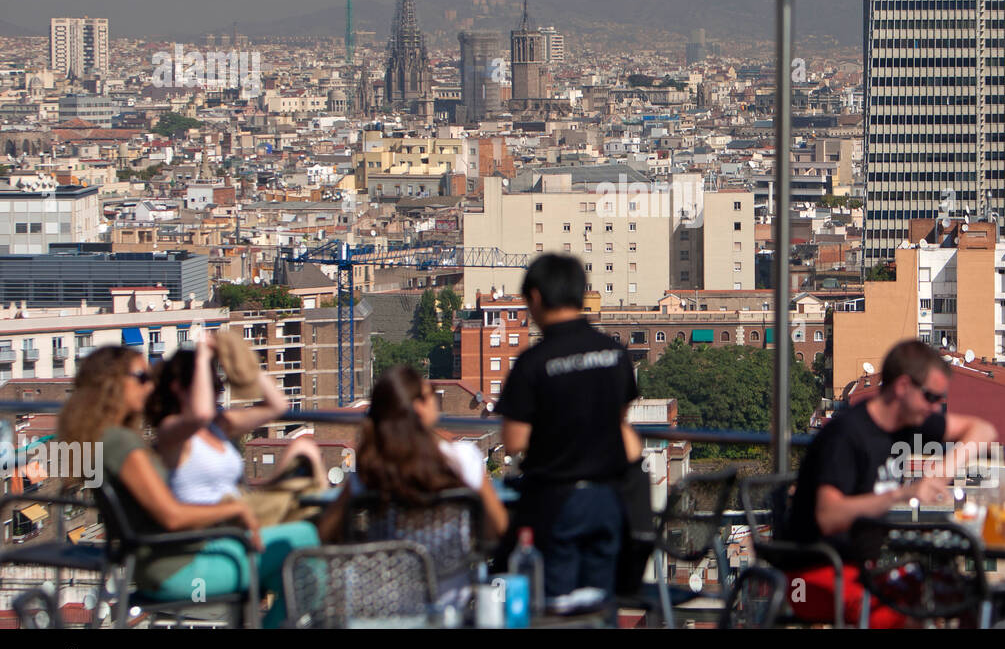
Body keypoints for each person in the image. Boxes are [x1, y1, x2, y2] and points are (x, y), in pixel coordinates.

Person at [58, 346, 317, 628]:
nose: (149, 386)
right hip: (180, 571)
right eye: (142, 377)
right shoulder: (120, 443)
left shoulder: (104, 440)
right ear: (113, 383)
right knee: (304, 538)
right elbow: (172, 516)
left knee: (292, 560)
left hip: (162, 566)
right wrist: (235, 509)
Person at [786, 339, 998, 627]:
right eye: (931, 397)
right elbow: (829, 516)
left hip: (869, 569)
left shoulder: (906, 423)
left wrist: (942, 471)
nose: (936, 406)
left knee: (967, 597)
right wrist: (905, 492)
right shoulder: (847, 436)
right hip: (812, 577)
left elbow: (983, 429)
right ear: (902, 387)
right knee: (906, 617)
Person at [496, 253, 642, 603]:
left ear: (536, 299)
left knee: (558, 606)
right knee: (598, 603)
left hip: (556, 502)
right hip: (608, 500)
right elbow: (618, 421)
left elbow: (514, 441)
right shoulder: (614, 353)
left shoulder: (533, 363)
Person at [316, 365, 509, 547]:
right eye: (431, 394)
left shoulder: (371, 467)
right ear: (419, 407)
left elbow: (327, 530)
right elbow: (497, 527)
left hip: (388, 579)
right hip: (452, 579)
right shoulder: (462, 458)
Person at [146, 331, 327, 525]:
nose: (216, 390)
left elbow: (277, 406)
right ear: (178, 388)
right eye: (209, 384)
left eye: (216, 384)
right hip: (213, 524)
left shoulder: (217, 426)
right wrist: (202, 358)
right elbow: (200, 414)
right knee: (309, 510)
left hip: (240, 513)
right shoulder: (170, 431)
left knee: (305, 449)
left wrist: (242, 362)